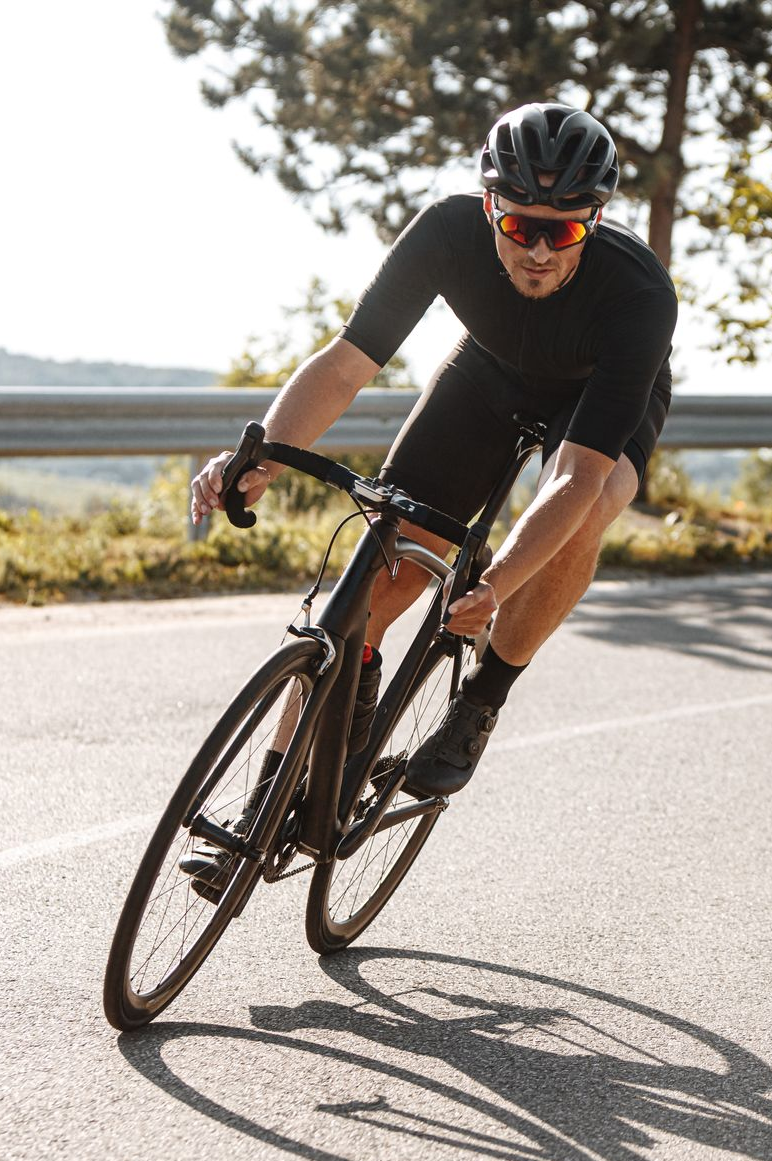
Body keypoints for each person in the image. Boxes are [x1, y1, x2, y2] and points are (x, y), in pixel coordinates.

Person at [191, 101, 678, 798]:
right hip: (488, 371)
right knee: (383, 558)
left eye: (564, 230)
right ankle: (272, 790)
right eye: (518, 225)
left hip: (595, 391)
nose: (538, 251)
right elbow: (344, 365)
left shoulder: (639, 295)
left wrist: (495, 586)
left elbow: (572, 476)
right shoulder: (445, 232)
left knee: (592, 503)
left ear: (595, 221)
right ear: (487, 207)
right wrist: (263, 455)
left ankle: (481, 700)